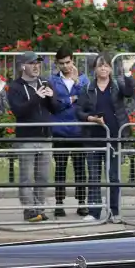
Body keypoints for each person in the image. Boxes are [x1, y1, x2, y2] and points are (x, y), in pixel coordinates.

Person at [75, 53, 135, 223]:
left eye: (106, 65)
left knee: (114, 176)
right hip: (93, 138)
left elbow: (130, 91)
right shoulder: (87, 88)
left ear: (110, 68)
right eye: (100, 65)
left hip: (114, 138)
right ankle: (94, 212)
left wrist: (127, 71)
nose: (103, 68)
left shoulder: (117, 85)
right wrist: (91, 119)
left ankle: (114, 212)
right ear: (94, 69)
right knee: (94, 176)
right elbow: (79, 111)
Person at [7, 52, 60, 223]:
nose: (36, 67)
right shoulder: (15, 87)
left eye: (38, 63)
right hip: (27, 138)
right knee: (27, 177)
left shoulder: (45, 83)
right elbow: (18, 111)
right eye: (32, 63)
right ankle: (29, 210)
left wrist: (52, 98)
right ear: (23, 66)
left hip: (45, 137)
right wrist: (37, 97)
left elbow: (55, 109)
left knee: (43, 177)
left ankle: (39, 208)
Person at [49, 47, 90, 217]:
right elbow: (54, 104)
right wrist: (71, 99)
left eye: (68, 62)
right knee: (60, 169)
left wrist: (77, 84)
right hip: (60, 129)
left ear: (73, 61)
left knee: (80, 168)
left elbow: (87, 101)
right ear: (57, 64)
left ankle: (82, 203)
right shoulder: (52, 80)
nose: (65, 66)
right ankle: (59, 203)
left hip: (79, 129)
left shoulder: (83, 79)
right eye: (61, 63)